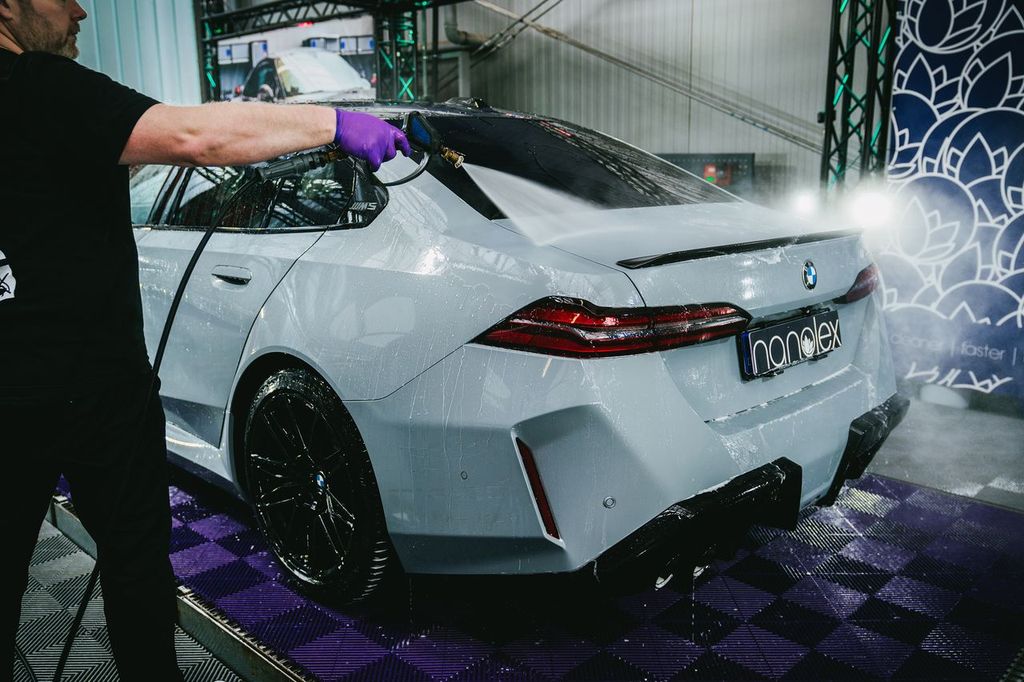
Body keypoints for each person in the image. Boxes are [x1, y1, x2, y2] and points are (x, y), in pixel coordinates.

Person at [0, 1, 410, 678]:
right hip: (93, 393)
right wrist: (333, 124)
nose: (80, 10)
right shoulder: (42, 83)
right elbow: (193, 136)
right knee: (136, 567)